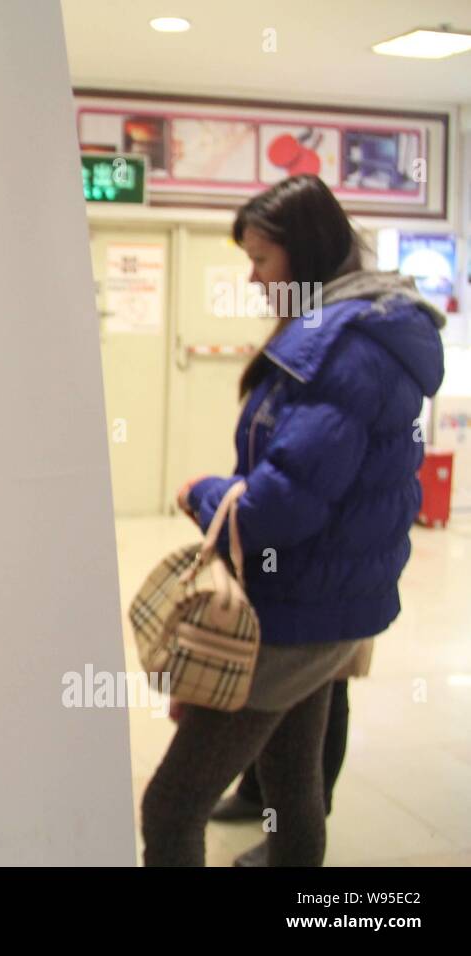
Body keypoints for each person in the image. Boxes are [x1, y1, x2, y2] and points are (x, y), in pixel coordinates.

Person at [140, 174, 445, 867]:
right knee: (291, 787)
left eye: (260, 260)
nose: (253, 278)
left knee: (170, 807)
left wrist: (205, 492)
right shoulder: (360, 331)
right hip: (329, 602)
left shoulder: (341, 350)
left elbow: (284, 506)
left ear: (303, 255)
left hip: (299, 612)